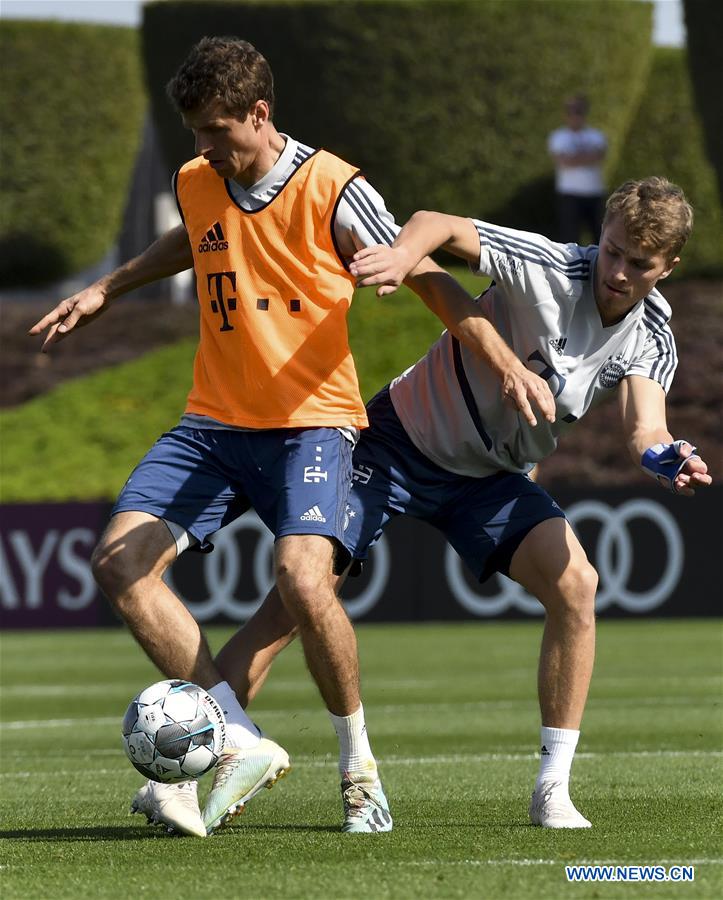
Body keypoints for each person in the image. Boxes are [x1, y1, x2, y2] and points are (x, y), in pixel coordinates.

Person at [30, 37, 554, 837]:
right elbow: (195, 237)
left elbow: (428, 279)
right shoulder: (198, 179)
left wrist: (505, 365)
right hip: (213, 423)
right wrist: (109, 286)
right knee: (118, 563)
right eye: (194, 132)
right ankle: (237, 738)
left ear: (259, 113)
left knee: (304, 583)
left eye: (216, 130)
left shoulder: (333, 187)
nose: (203, 147)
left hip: (312, 424)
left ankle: (359, 772)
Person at [212, 176, 711, 829]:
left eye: (638, 264)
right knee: (296, 599)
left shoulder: (652, 333)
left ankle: (552, 790)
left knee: (577, 585)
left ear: (667, 267)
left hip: (489, 479)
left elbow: (645, 427)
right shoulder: (549, 266)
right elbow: (437, 221)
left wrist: (667, 457)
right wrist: (401, 255)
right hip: (396, 444)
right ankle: (201, 759)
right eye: (612, 250)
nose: (617, 272)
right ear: (602, 236)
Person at [548, 94, 607, 243]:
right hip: (569, 195)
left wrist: (574, 158)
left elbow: (599, 157)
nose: (574, 116)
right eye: (571, 111)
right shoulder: (558, 136)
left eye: (578, 111)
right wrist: (587, 158)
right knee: (569, 238)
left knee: (599, 237)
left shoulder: (596, 135)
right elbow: (563, 161)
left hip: (594, 193)